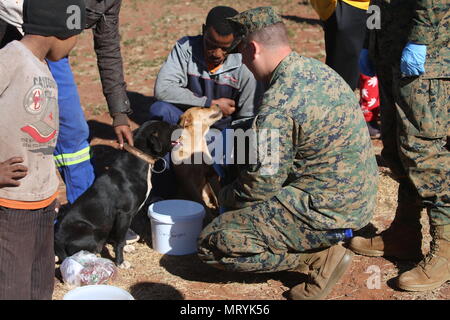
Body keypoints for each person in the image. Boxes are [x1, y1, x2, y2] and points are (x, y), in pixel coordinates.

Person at [197, 7, 379, 300]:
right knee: (241, 144)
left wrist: (226, 197)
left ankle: (316, 261)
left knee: (214, 242)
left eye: (242, 55)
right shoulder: (315, 69)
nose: (243, 63)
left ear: (253, 49)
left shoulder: (279, 103)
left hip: (328, 211)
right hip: (358, 197)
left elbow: (261, 185)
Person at [350, 0, 450, 292]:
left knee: (424, 153)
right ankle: (405, 232)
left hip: (426, 56)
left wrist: (420, 40)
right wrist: (371, 41)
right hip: (390, 49)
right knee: (395, 146)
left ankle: (445, 247)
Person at [0, 0, 133, 205]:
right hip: (12, 36)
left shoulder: (108, 2)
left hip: (53, 49)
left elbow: (108, 46)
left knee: (73, 131)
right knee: (17, 130)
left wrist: (119, 112)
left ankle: (87, 213)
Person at [0, 0, 84, 299]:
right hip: (11, 203)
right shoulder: (10, 59)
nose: (75, 45)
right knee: (13, 286)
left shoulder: (41, 66)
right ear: (61, 31)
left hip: (42, 200)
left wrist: (51, 187)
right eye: (77, 36)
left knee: (40, 283)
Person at [148, 6, 262, 198]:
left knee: (245, 141)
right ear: (203, 30)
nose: (216, 53)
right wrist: (209, 103)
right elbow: (163, 89)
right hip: (188, 126)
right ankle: (163, 191)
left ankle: (230, 192)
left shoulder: (245, 65)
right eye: (210, 44)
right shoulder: (185, 48)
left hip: (224, 132)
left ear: (237, 42)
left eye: (225, 48)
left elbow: (247, 119)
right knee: (160, 110)